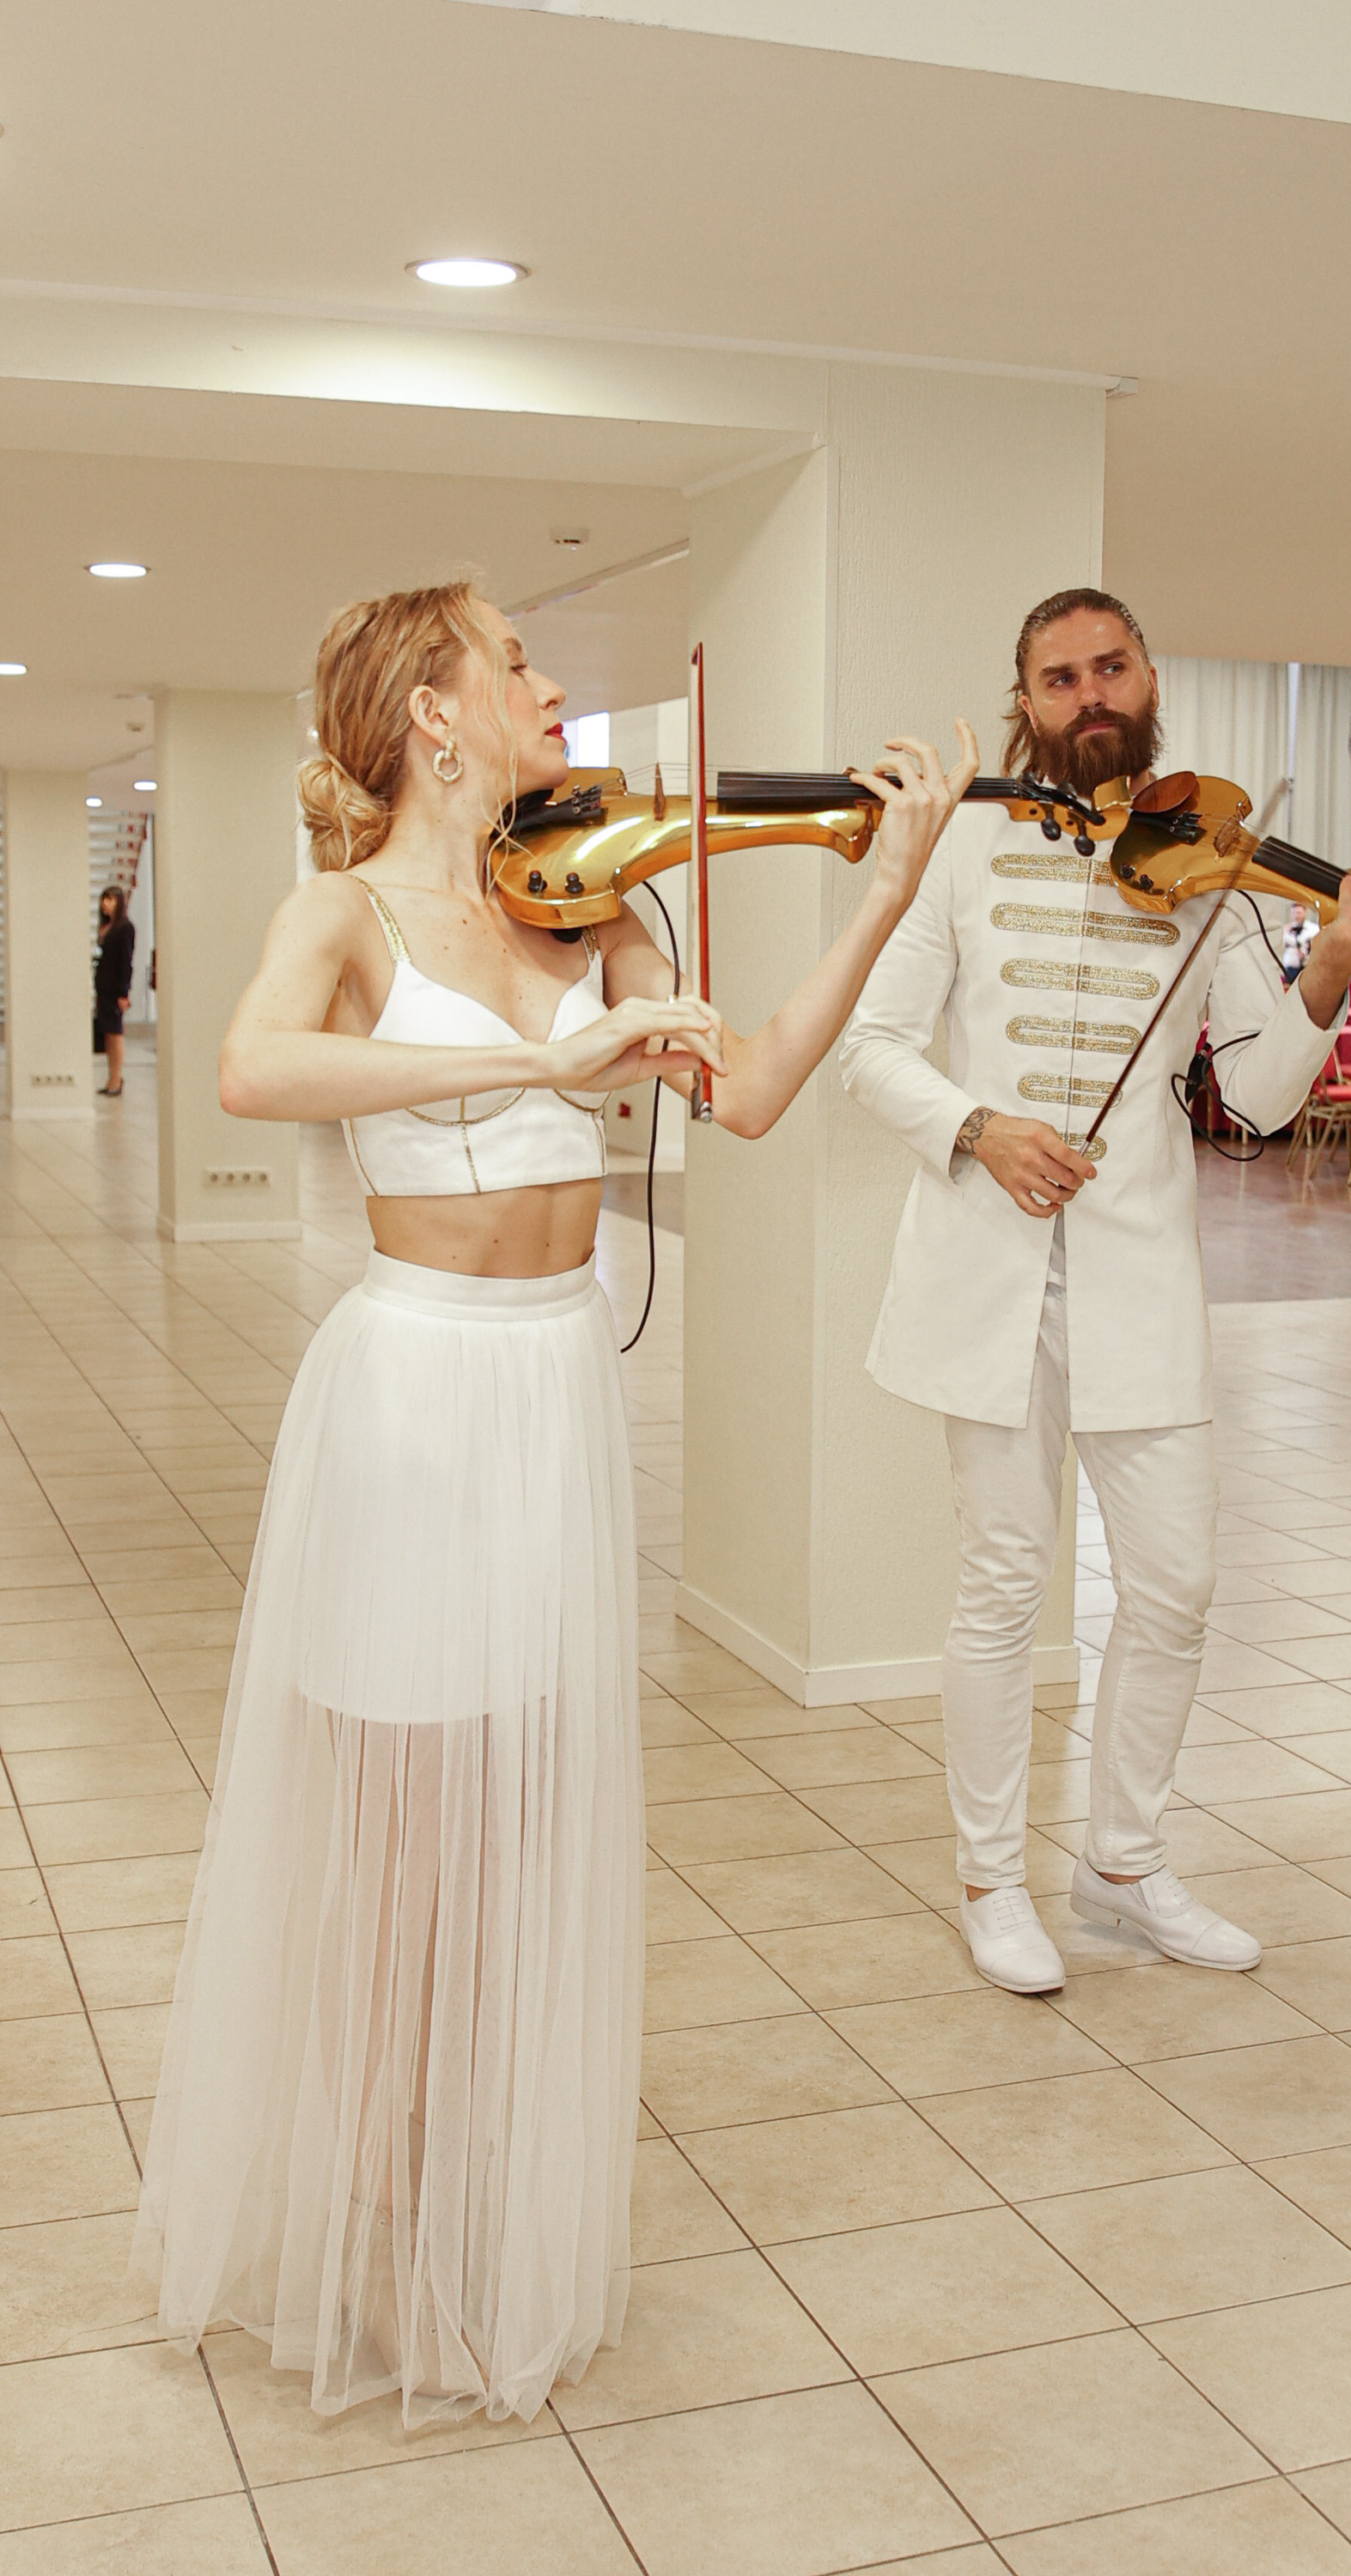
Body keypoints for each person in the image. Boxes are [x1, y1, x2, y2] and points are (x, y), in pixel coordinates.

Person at [133, 579, 977, 2426]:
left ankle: (462, 2233)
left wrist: (887, 890)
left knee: (511, 1828)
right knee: (400, 1858)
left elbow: (746, 1091)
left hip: (550, 1399)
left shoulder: (586, 900)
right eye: (512, 658)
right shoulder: (345, 911)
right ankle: (387, 2236)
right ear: (432, 715)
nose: (547, 682)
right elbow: (254, 1066)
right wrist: (539, 1058)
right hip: (418, 1390)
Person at [841, 587, 1351, 1996]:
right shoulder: (968, 839)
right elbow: (870, 1044)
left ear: (1147, 679)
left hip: (1141, 1273)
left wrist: (1330, 970)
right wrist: (981, 1129)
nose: (1090, 695)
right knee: (1000, 1585)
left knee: (1176, 1584)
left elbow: (1264, 1101)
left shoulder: (1207, 864)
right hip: (991, 1267)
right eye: (1060, 677)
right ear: (1026, 698)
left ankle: (1121, 1863)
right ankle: (990, 1879)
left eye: (1111, 668)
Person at [94, 883, 135, 1094]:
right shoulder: (107, 927)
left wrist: (123, 992)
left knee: (115, 1033)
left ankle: (117, 1078)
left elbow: (125, 962)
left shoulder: (125, 928)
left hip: (115, 989)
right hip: (104, 987)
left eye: (110, 900)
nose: (105, 904)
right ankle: (112, 1077)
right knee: (108, 1034)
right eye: (104, 899)